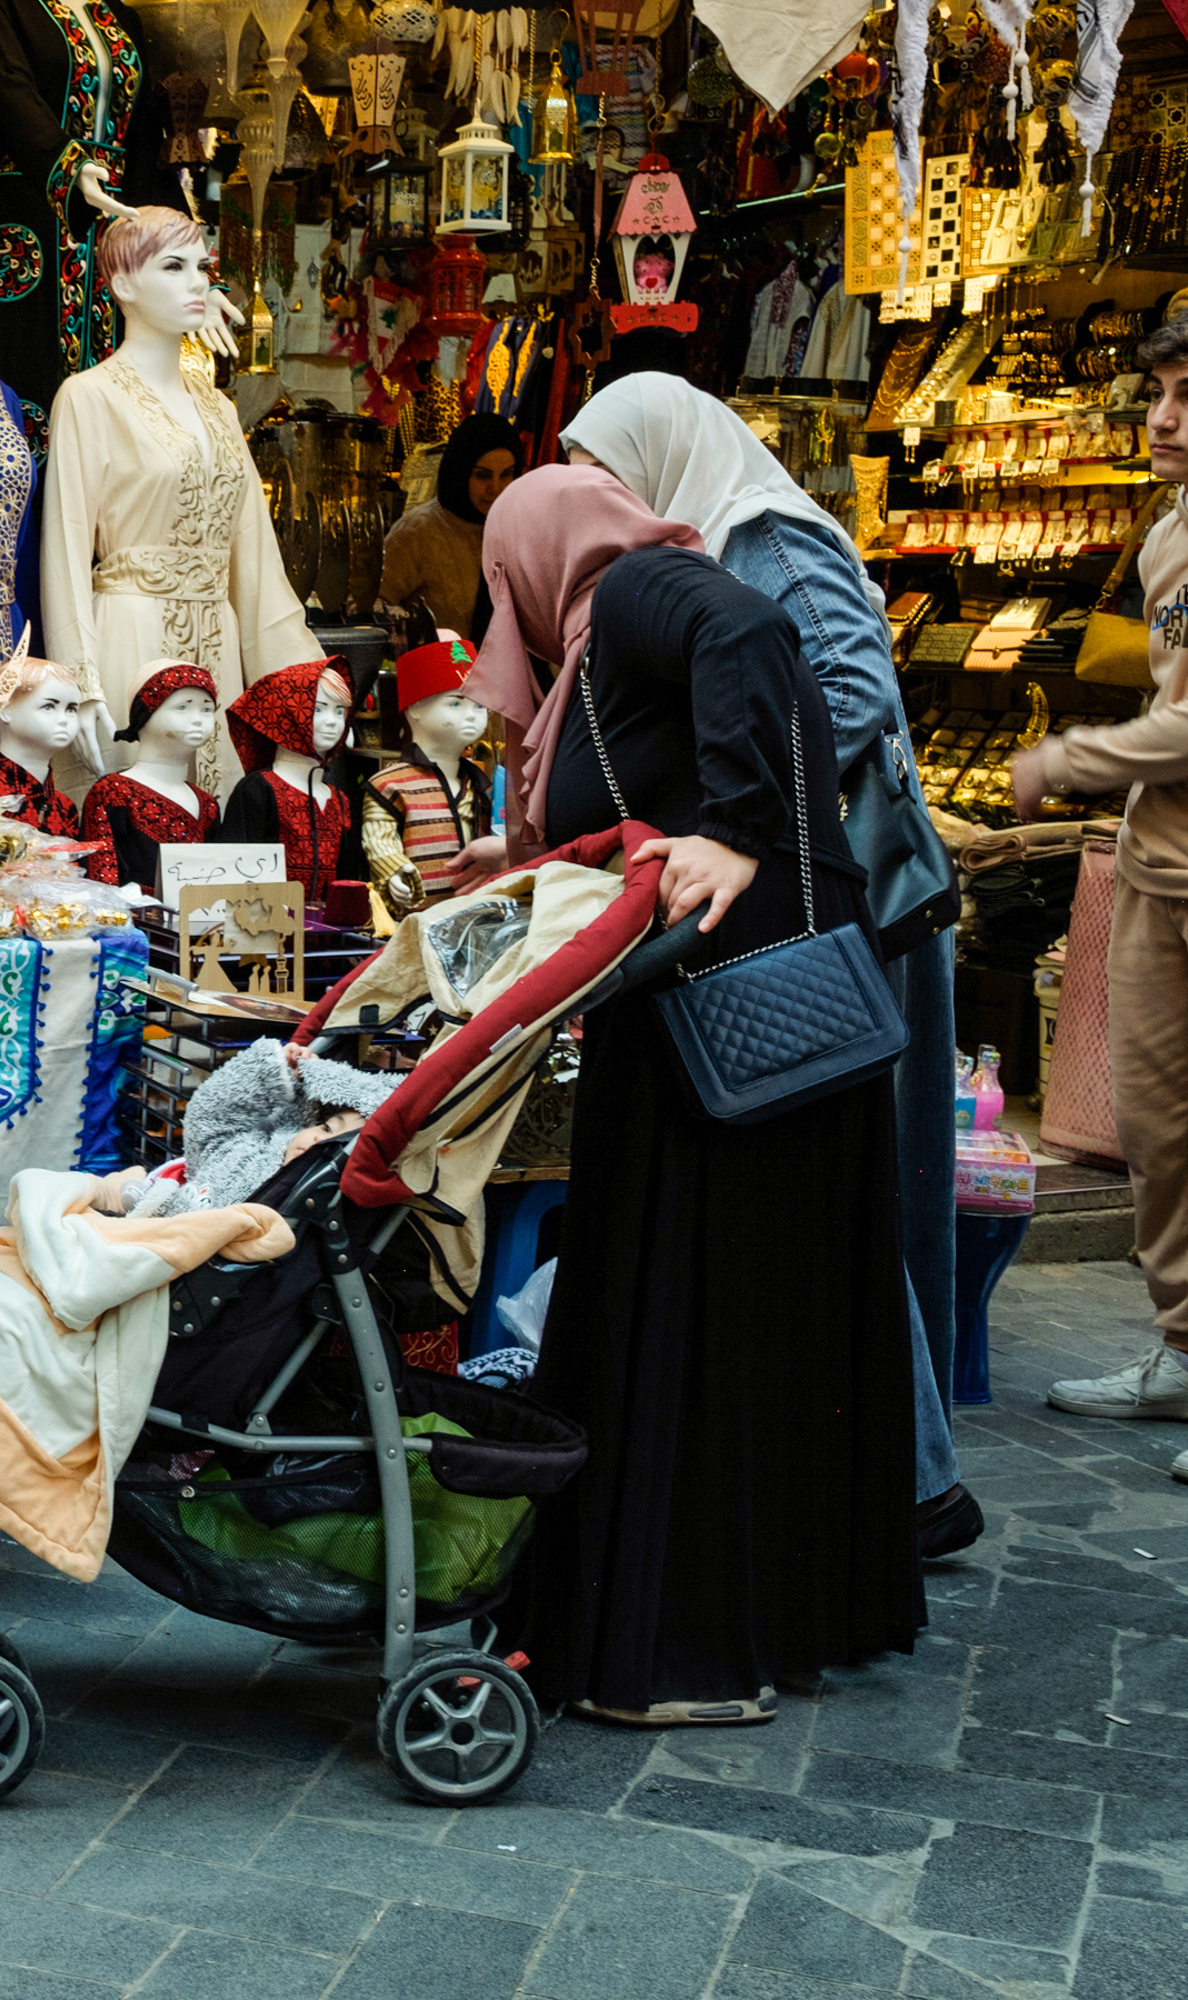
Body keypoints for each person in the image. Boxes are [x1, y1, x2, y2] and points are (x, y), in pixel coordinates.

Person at [475, 463, 922, 1725]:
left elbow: (751, 629)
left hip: (734, 1012)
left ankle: (693, 1644)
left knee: (699, 1304)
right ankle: (762, 1620)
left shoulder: (636, 591)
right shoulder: (604, 650)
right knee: (740, 1308)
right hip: (734, 1015)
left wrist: (733, 824)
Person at [560, 370, 980, 1560]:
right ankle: (897, 1469)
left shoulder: (767, 536)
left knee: (858, 1184)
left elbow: (853, 695)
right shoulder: (715, 543)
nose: (608, 497)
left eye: (615, 469)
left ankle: (917, 1480)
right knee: (857, 1183)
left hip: (852, 906)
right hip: (808, 893)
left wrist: (728, 809)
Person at [1021, 315, 1188, 1476]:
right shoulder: (1169, 534)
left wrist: (1069, 762)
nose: (1166, 419)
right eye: (1162, 393)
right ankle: (1181, 1346)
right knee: (1155, 1124)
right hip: (1158, 865)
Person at [379, 412, 521, 639]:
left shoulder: (517, 529)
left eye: (506, 475)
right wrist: (415, 633)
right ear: (461, 472)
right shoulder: (418, 532)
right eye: (482, 476)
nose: (495, 488)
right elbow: (373, 604)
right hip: (436, 670)